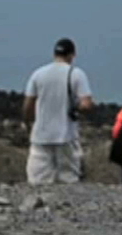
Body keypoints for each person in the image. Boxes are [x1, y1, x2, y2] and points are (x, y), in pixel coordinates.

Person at [22, 37, 94, 185]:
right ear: (72, 55)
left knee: (37, 180)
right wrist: (76, 108)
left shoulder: (38, 74)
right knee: (69, 180)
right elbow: (86, 104)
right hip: (66, 135)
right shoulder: (76, 74)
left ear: (54, 53)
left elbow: (28, 105)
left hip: (41, 135)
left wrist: (28, 123)